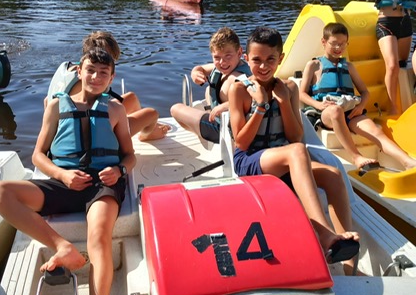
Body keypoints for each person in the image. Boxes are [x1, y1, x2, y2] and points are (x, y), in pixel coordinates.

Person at [0, 48, 136, 295]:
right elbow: (38, 155)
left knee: (99, 236)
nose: (96, 77)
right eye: (90, 70)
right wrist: (63, 175)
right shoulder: (56, 106)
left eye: (103, 73)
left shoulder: (116, 109)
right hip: (64, 182)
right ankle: (62, 246)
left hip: (103, 185)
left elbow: (130, 156)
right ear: (79, 71)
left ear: (112, 78)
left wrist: (119, 171)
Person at [228, 26, 360, 267]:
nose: (263, 66)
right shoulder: (239, 90)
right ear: (246, 58)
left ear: (281, 58)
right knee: (298, 152)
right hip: (251, 161)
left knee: (333, 174)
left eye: (270, 59)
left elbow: (296, 136)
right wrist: (260, 106)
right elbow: (241, 142)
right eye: (256, 60)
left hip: (286, 161)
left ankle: (348, 259)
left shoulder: (289, 88)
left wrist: (283, 102)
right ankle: (325, 234)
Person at [299, 22, 416, 172]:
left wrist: (360, 107)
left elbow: (365, 92)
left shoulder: (348, 67)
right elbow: (301, 94)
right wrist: (319, 105)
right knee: (336, 111)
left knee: (375, 130)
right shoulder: (314, 65)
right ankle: (356, 157)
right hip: (327, 112)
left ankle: (407, 162)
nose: (338, 47)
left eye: (343, 44)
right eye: (334, 43)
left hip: (350, 111)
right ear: (324, 42)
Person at [47, 30, 171, 142]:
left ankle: (142, 126)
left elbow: (46, 100)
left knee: (131, 98)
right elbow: (93, 121)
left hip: (63, 125)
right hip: (85, 138)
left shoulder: (66, 67)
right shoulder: (89, 83)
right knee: (151, 114)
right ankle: (147, 134)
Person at [345, 0, 416, 115]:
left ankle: (407, 103)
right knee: (392, 65)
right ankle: (393, 109)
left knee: (402, 65)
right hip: (386, 24)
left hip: (406, 24)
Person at [170, 27, 251, 144]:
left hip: (224, 130)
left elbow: (254, 99)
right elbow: (201, 68)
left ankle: (203, 132)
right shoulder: (225, 67)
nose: (222, 62)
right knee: (209, 89)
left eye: (228, 56)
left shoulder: (239, 78)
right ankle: (203, 124)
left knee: (175, 109)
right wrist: (195, 73)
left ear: (239, 53)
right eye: (217, 57)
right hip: (217, 118)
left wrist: (226, 105)